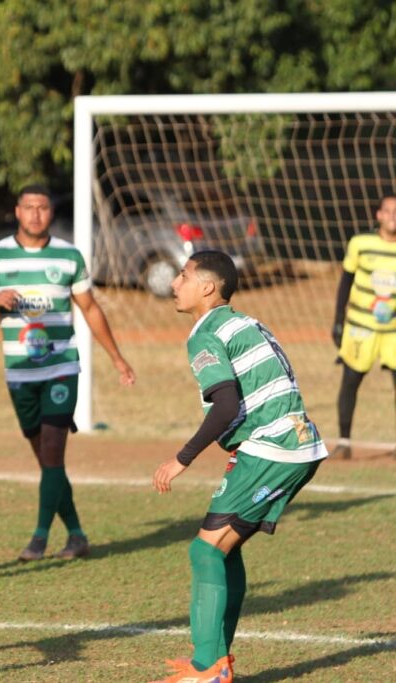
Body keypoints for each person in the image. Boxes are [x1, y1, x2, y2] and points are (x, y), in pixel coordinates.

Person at [150, 250, 328, 683]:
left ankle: (207, 667)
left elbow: (226, 404)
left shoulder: (205, 331)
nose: (174, 283)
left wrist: (181, 458)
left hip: (273, 447)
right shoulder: (246, 322)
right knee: (224, 550)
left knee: (205, 549)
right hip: (296, 441)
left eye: (183, 275)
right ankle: (217, 662)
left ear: (207, 287)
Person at [0, 184, 135, 562]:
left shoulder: (69, 256)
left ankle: (38, 539)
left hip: (61, 368)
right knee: (47, 461)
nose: (36, 214)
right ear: (17, 211)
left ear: (50, 214)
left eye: (43, 207)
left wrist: (117, 358)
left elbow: (89, 308)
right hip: (20, 374)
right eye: (29, 207)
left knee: (54, 451)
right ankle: (76, 535)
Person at [331, 195, 396, 460]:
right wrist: (337, 319)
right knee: (350, 382)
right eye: (389, 211)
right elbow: (345, 281)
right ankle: (344, 442)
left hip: (393, 331)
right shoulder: (360, 243)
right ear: (378, 215)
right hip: (361, 327)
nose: (393, 216)